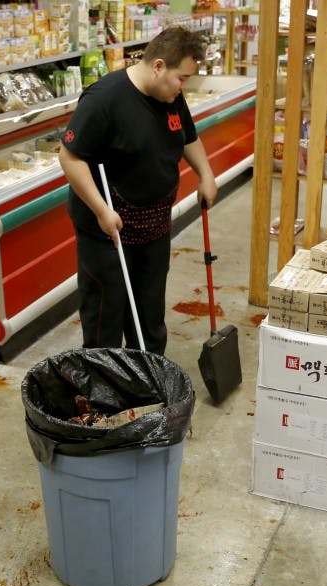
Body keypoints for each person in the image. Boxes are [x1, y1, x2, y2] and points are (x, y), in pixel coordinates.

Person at [59, 26, 217, 356]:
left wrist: (206, 174)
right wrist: (101, 210)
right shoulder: (104, 99)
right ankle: (103, 379)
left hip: (154, 224)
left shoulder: (171, 97)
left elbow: (188, 137)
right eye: (182, 78)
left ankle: (148, 373)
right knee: (106, 313)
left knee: (149, 310)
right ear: (158, 66)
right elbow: (70, 157)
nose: (183, 86)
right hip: (108, 228)